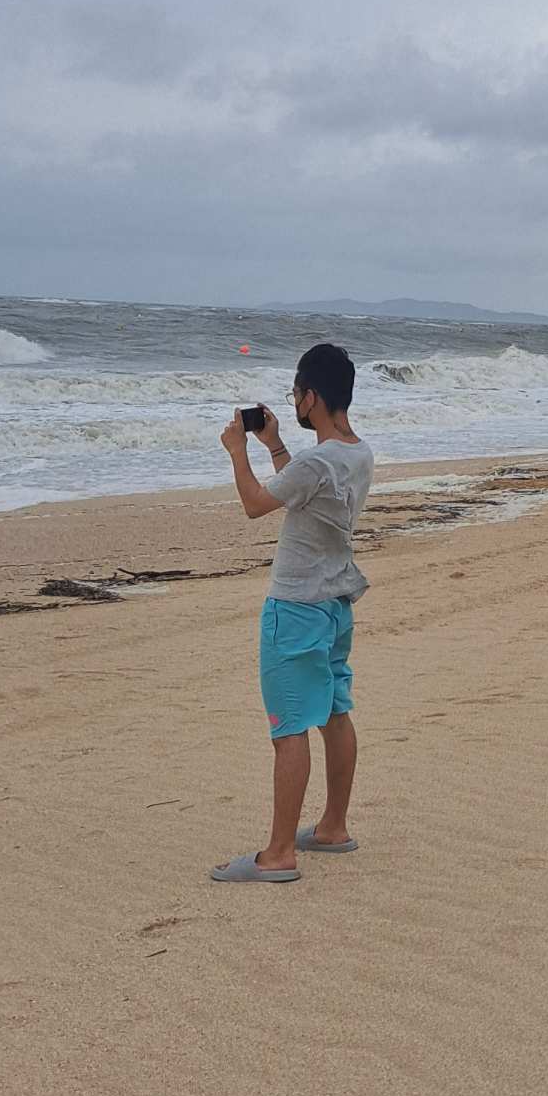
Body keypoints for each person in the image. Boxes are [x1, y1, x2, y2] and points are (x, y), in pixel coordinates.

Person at [211, 342, 374, 885]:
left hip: (296, 604)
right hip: (334, 604)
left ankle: (279, 853)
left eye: (296, 394)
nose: (295, 401)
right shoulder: (355, 454)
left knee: (289, 727)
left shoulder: (316, 461)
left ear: (311, 396)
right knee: (332, 711)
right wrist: (275, 443)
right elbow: (302, 491)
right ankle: (332, 826)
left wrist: (238, 451)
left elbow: (258, 504)